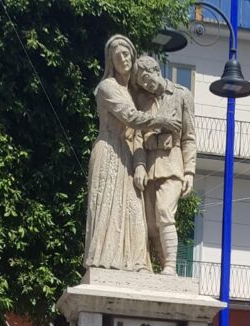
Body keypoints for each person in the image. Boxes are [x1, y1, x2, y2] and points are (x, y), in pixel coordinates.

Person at [83, 35, 180, 272]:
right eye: (118, 57)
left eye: (126, 54)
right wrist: (161, 120)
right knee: (109, 208)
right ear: (111, 62)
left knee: (135, 213)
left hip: (127, 155)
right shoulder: (107, 87)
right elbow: (130, 117)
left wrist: (139, 164)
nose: (123, 59)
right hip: (109, 151)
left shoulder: (132, 92)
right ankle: (104, 261)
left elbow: (136, 134)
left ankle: (137, 264)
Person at [132, 55, 197, 275]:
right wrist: (139, 165)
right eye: (142, 82)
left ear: (156, 70)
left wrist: (189, 171)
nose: (147, 84)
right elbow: (137, 138)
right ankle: (152, 266)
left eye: (147, 78)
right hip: (150, 165)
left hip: (173, 163)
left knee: (164, 213)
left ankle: (170, 265)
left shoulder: (181, 95)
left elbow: (189, 137)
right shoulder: (142, 101)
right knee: (150, 222)